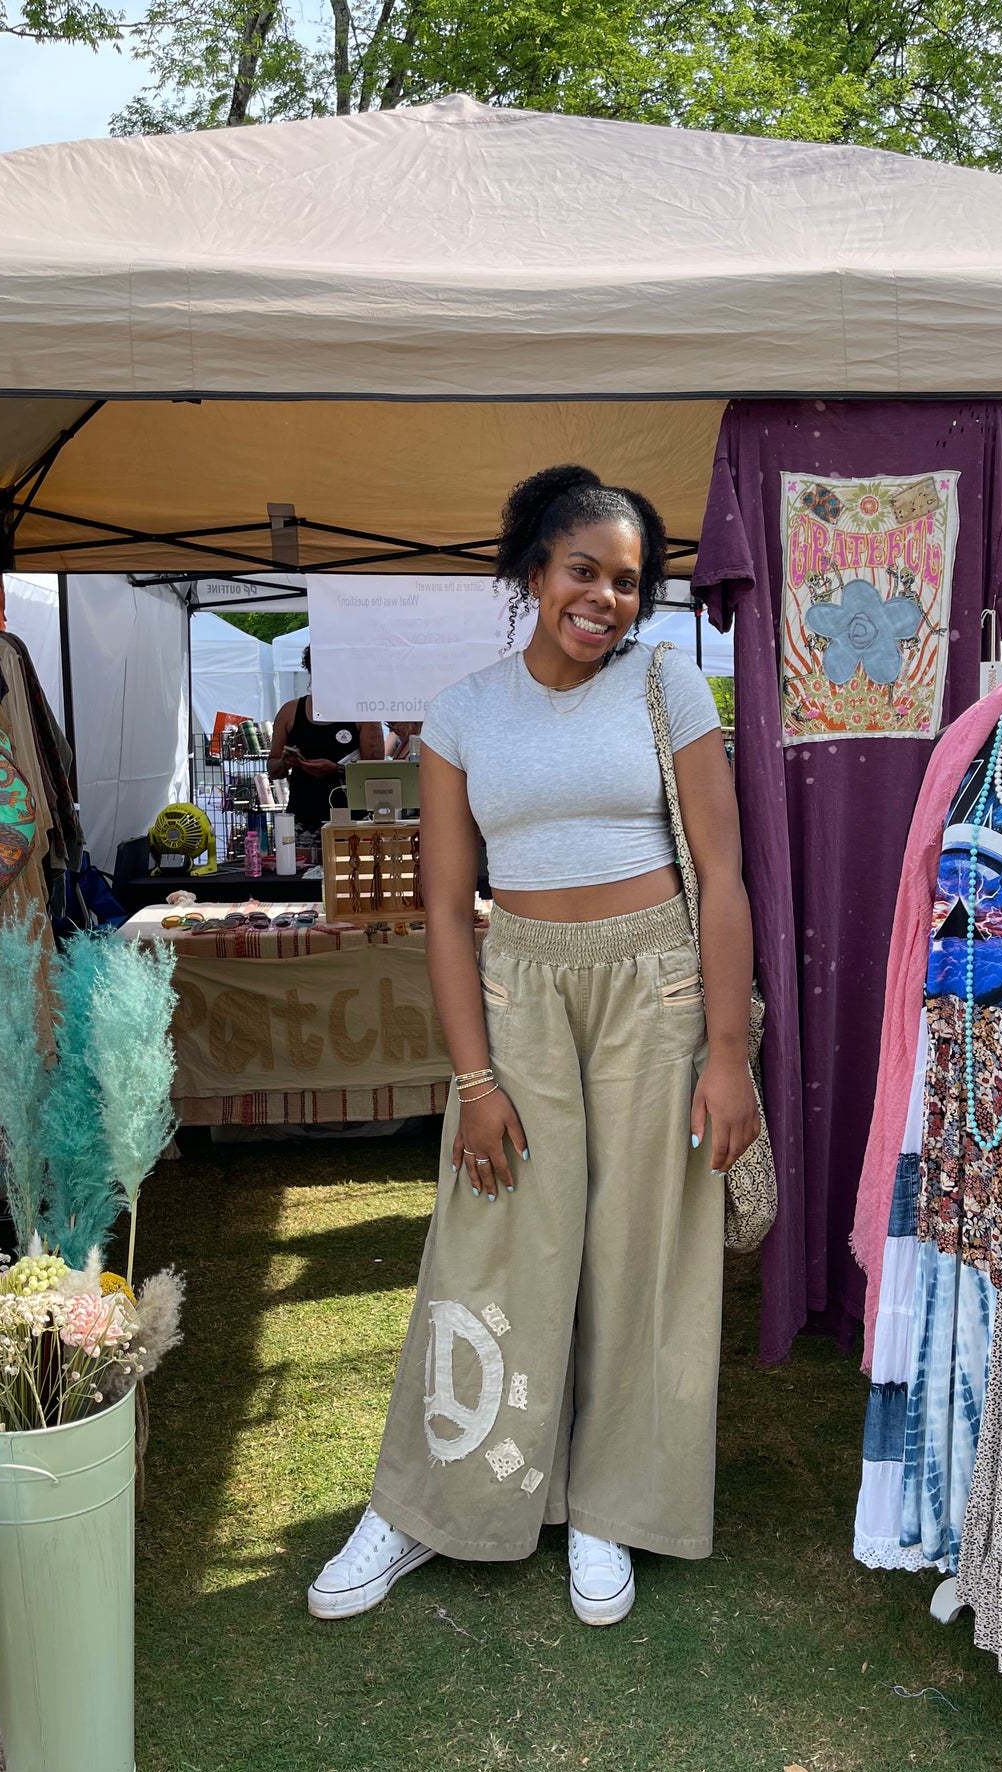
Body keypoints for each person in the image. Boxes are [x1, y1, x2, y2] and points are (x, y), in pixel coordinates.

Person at [308, 465, 760, 1627]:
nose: (605, 598)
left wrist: (725, 1054)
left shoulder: (667, 685)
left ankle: (608, 1504)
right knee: (490, 1238)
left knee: (640, 1249)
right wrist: (473, 1080)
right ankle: (425, 1503)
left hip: (655, 985)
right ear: (531, 571)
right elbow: (444, 909)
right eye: (583, 571)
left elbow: (721, 876)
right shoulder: (463, 711)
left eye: (628, 581)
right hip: (517, 995)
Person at [268, 647, 382, 828]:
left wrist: (337, 770)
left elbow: (376, 773)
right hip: (303, 817)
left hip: (352, 820)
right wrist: (285, 762)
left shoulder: (363, 713)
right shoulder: (290, 712)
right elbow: (273, 769)